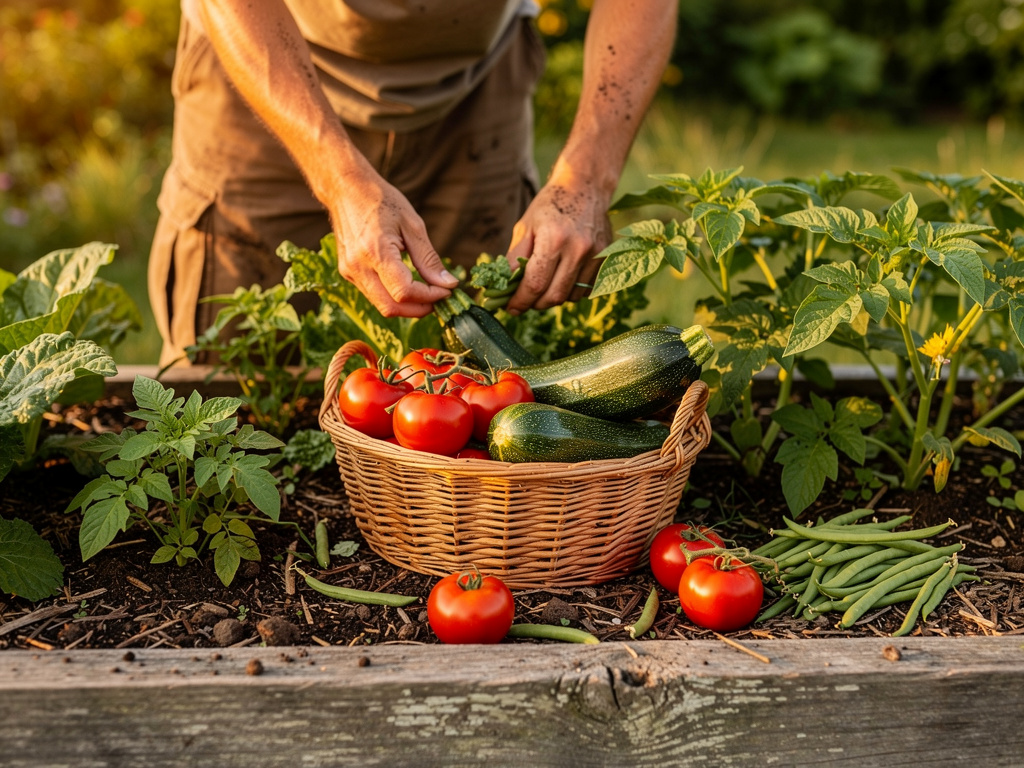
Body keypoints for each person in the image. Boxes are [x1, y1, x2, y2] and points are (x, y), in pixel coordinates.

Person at [148, 0, 678, 368]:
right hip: (264, 69)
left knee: (486, 370)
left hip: (477, 80)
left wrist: (585, 179)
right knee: (228, 377)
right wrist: (339, 177)